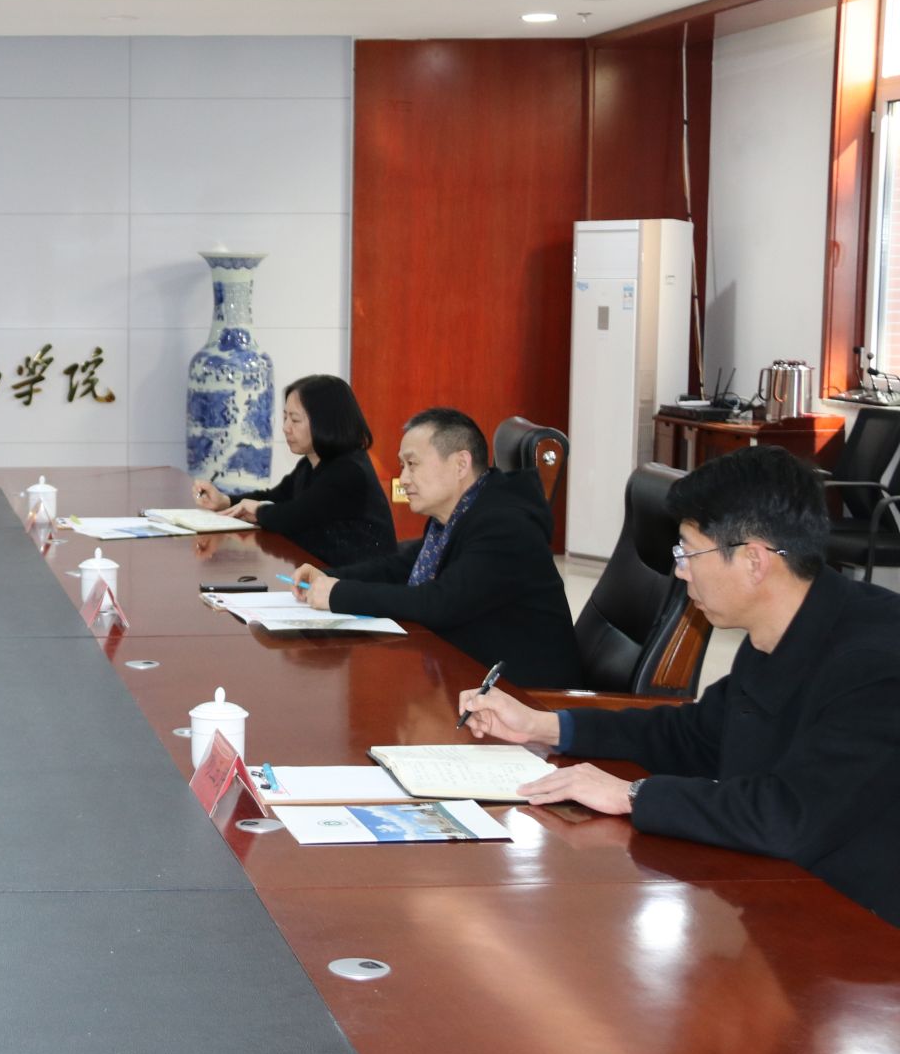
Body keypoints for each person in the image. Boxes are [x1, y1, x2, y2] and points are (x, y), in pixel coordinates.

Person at [460, 446, 900, 925]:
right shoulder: (780, 627)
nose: (679, 569)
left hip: (862, 931)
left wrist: (633, 796)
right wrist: (545, 726)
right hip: (779, 896)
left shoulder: (877, 664)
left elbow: (787, 817)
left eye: (689, 552)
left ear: (754, 561)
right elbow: (693, 736)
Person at [293, 407, 583, 688]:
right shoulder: (462, 513)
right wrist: (330, 576)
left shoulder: (505, 526)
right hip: (473, 675)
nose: (403, 479)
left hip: (530, 698)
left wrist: (339, 594)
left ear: (460, 464)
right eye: (402, 466)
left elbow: (440, 603)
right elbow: (402, 565)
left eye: (412, 464)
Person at [191, 373, 395, 566]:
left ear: (325, 423)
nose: (286, 427)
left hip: (358, 582)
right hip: (324, 572)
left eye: (295, 420)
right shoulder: (311, 462)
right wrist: (225, 501)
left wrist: (259, 511)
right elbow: (276, 497)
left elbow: (294, 516)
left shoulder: (349, 471)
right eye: (285, 417)